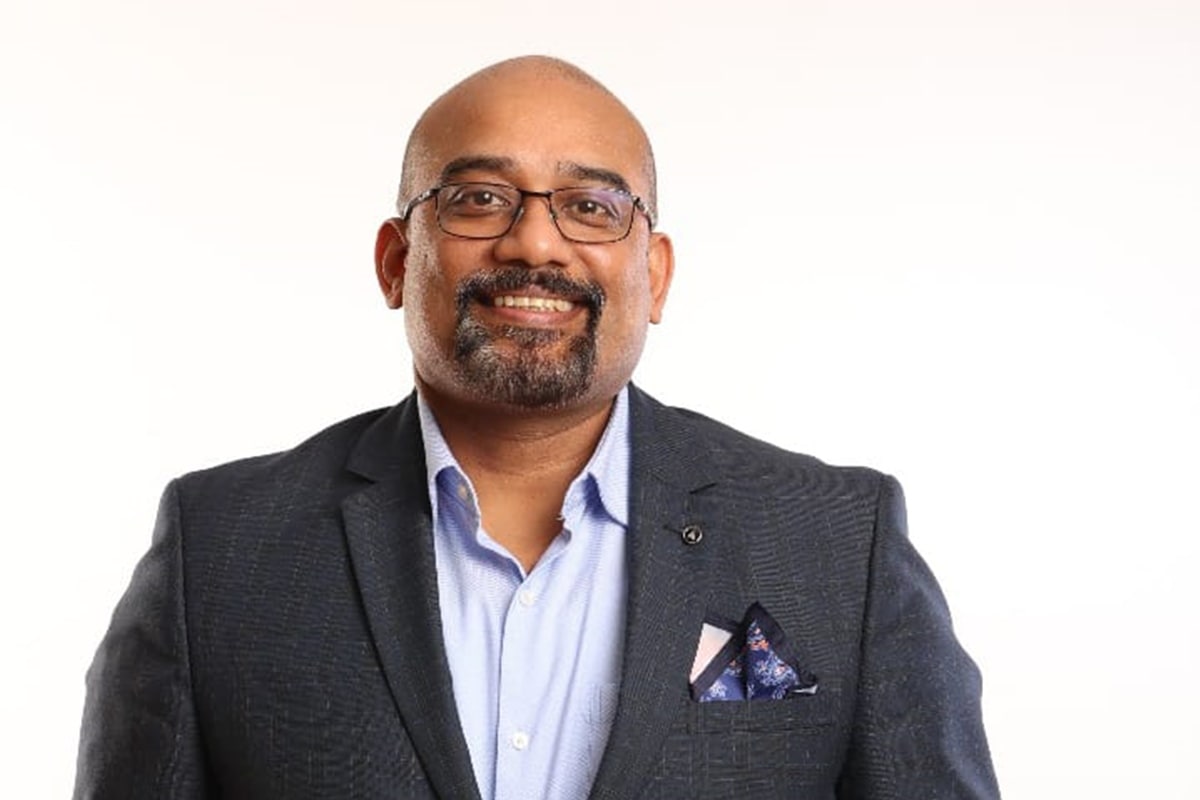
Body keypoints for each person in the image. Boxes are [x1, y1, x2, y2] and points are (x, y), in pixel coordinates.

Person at [74, 56, 1001, 799]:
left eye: (591, 207)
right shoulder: (220, 549)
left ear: (655, 275)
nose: (534, 241)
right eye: (479, 198)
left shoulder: (839, 543)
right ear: (396, 260)